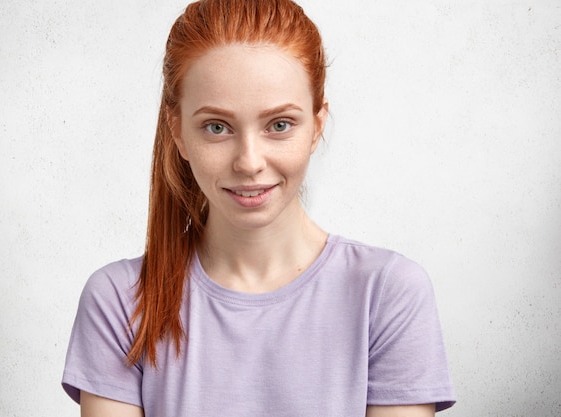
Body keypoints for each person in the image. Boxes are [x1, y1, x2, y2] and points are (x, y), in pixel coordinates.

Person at [62, 0, 456, 415]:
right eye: (217, 127)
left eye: (279, 125)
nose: (249, 162)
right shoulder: (119, 301)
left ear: (317, 127)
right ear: (177, 133)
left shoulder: (387, 293)